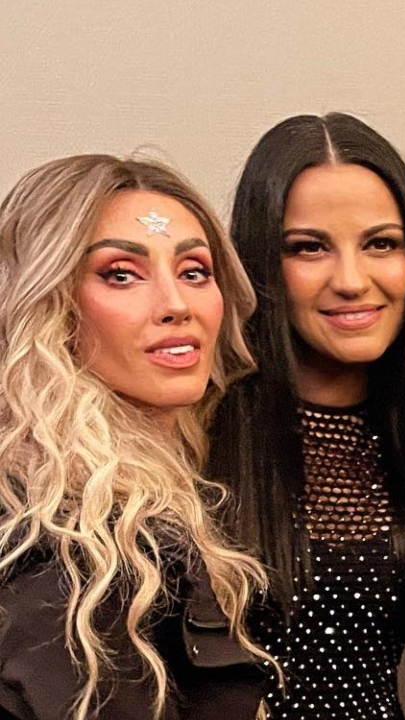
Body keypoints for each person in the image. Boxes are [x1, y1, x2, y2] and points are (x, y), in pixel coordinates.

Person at [206, 113, 405, 719]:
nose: (351, 280)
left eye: (381, 244)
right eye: (309, 247)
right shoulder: (202, 429)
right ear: (259, 263)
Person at [0, 155, 272, 719]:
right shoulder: (75, 549)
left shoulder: (157, 496)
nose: (176, 305)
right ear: (47, 302)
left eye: (194, 272)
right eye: (121, 274)